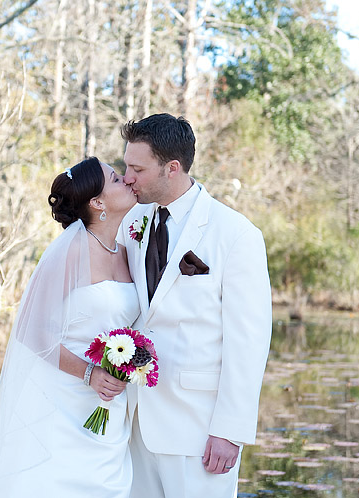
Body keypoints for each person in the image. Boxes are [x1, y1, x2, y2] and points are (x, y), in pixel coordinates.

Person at [118, 113, 272, 498]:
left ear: (172, 168)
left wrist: (230, 430)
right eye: (125, 166)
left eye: (137, 168)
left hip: (199, 431)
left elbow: (248, 343)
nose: (127, 177)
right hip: (134, 422)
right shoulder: (132, 221)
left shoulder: (235, 234)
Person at [0, 157, 139, 498]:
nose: (126, 181)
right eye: (115, 179)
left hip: (110, 403)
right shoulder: (72, 252)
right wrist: (90, 373)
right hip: (65, 399)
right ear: (97, 203)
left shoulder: (128, 251)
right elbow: (31, 330)